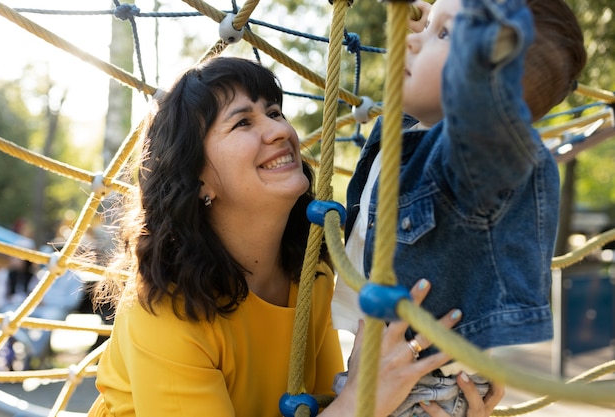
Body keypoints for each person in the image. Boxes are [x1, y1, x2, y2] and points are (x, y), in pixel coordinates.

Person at [86, 56, 498, 417]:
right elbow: (353, 407)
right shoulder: (165, 311)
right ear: (196, 179)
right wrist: (364, 401)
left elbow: (324, 405)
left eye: (275, 112)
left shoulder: (312, 273)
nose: (279, 131)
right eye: (243, 122)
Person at [331, 0, 586, 415]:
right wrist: (425, 24)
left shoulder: (476, 161)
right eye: (429, 27)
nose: (412, 40)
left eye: (444, 33)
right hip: (390, 370)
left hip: (424, 389)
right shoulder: (410, 133)